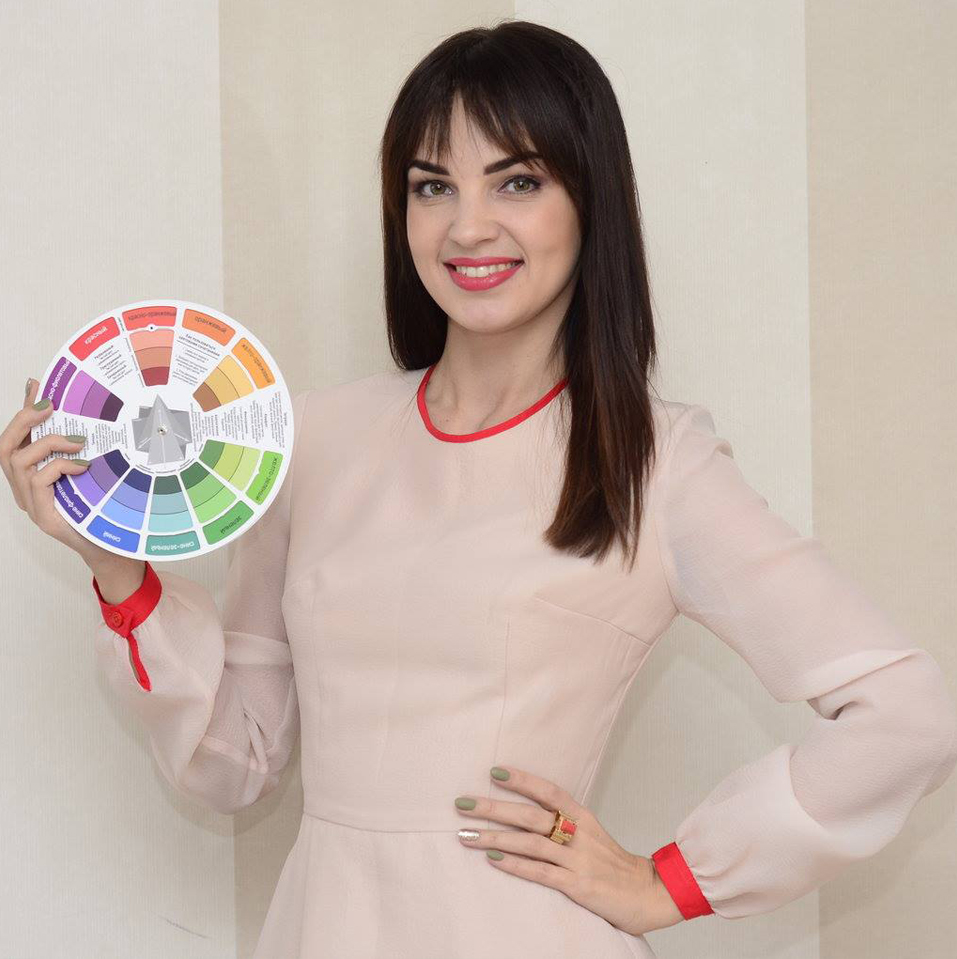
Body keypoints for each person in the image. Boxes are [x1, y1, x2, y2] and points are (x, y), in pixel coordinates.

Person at [3, 19, 956, 959]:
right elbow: (233, 765)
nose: (467, 226)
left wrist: (664, 880)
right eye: (432, 185)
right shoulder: (311, 440)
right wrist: (115, 563)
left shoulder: (656, 463)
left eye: (518, 181)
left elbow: (906, 715)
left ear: (590, 200)